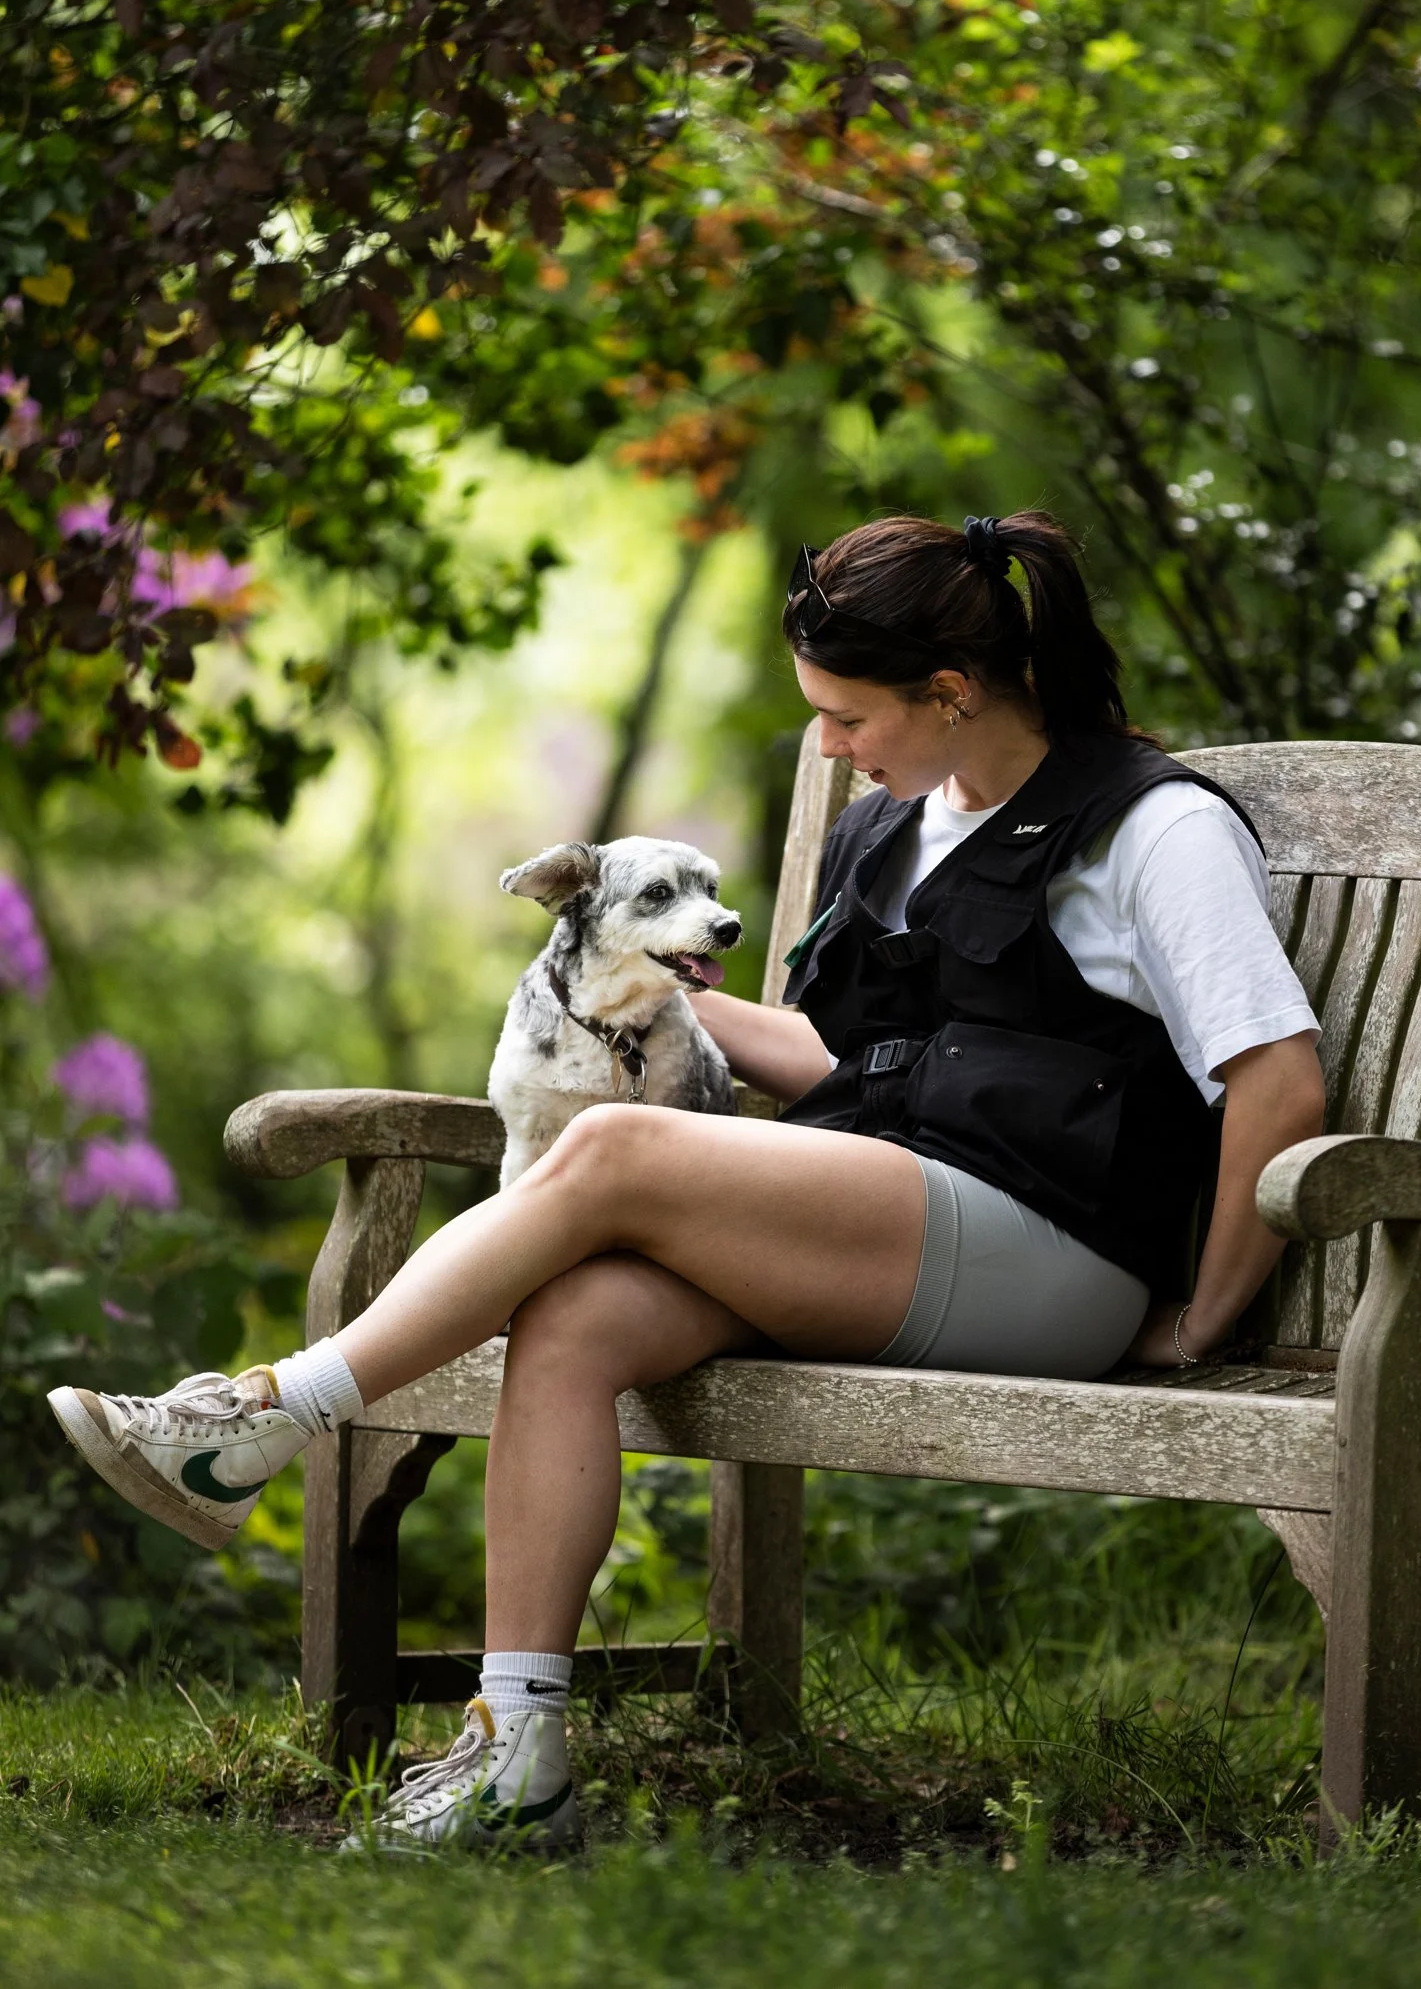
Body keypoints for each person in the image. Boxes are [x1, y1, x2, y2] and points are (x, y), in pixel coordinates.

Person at [47, 510, 1324, 1854]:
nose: (829, 747)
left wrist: (1205, 1319)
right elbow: (848, 1054)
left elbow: (1276, 1082)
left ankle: (257, 1418)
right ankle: (515, 1756)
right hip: (887, 1214)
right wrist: (626, 994)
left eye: (845, 716)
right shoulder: (909, 821)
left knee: (608, 1153)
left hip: (1053, 1255)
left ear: (948, 693)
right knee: (577, 1316)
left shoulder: (1154, 831)